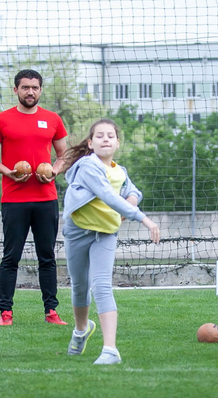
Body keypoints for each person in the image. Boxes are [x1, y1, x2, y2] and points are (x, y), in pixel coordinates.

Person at [62, 119, 160, 365]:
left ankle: (110, 350)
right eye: (99, 136)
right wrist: (143, 219)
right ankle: (81, 329)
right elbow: (107, 194)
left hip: (105, 233)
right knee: (80, 287)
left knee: (102, 286)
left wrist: (132, 201)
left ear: (117, 143)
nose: (105, 139)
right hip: (78, 232)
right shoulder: (88, 166)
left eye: (110, 136)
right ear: (90, 143)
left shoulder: (120, 170)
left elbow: (132, 191)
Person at [0, 69, 69, 326]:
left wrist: (54, 172)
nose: (30, 92)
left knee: (47, 257)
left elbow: (63, 155)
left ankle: (51, 311)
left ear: (40, 90)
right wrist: (7, 171)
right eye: (25, 87)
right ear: (16, 90)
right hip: (14, 199)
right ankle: (5, 313)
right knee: (11, 258)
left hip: (46, 199)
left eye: (34, 87)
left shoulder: (53, 119)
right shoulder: (1, 119)